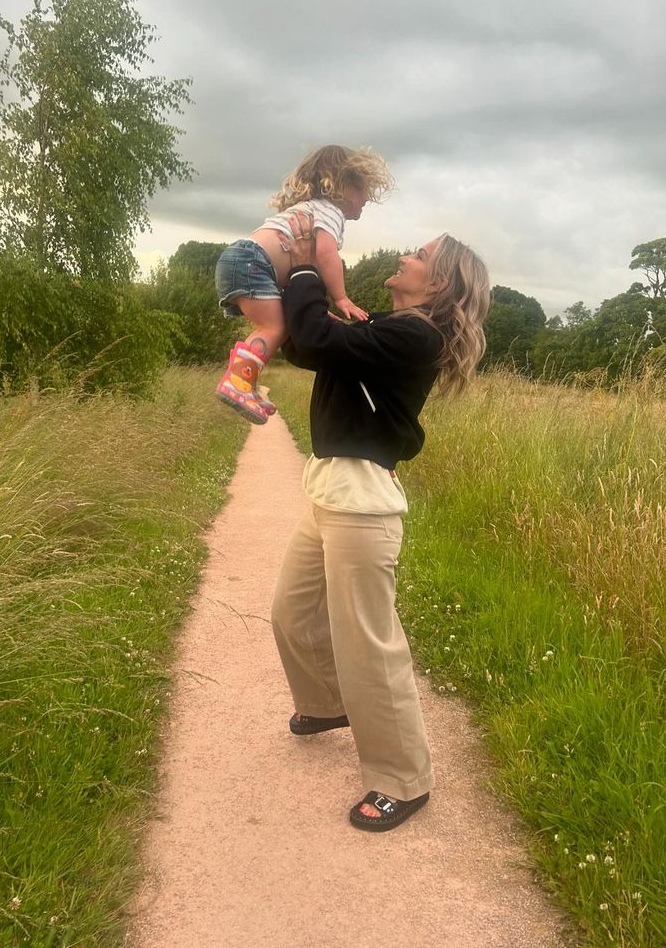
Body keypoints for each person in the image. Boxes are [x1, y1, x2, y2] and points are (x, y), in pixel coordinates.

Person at [271, 216, 491, 831]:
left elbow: (315, 339)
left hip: (362, 505)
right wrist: (296, 280)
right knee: (291, 612)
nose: (404, 255)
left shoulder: (416, 338)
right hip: (330, 492)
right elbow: (302, 343)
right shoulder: (385, 329)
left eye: (418, 254)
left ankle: (403, 779)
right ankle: (325, 704)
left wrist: (316, 268)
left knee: (368, 642)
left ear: (441, 282)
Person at [214, 145, 393, 424]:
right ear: (341, 185)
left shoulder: (310, 209)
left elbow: (304, 271)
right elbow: (325, 255)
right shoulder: (330, 212)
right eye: (362, 188)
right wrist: (341, 297)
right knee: (275, 327)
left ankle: (245, 382)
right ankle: (238, 382)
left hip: (241, 261)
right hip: (253, 263)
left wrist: (317, 309)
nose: (366, 198)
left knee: (277, 325)